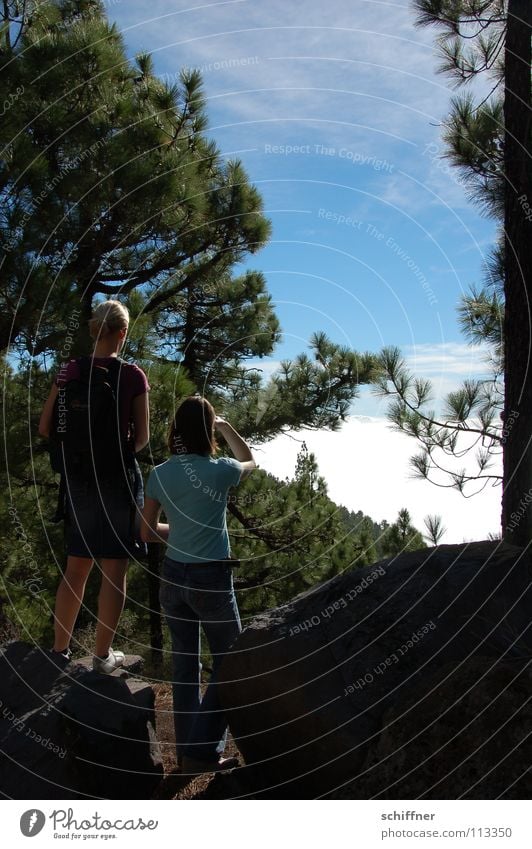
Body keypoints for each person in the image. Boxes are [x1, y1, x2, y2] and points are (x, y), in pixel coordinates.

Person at [141, 396, 255, 775]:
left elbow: (144, 530)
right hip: (211, 579)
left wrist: (182, 532)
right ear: (206, 431)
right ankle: (202, 752)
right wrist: (224, 426)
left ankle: (190, 751)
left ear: (175, 430)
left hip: (173, 577)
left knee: (184, 669)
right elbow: (252, 460)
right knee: (230, 663)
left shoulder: (160, 473)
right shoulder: (221, 469)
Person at [39, 300, 150, 673]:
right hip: (116, 482)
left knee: (76, 569)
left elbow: (45, 428)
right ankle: (102, 657)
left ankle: (59, 652)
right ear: (122, 332)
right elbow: (141, 439)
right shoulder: (132, 376)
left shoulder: (69, 371)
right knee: (113, 570)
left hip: (79, 482)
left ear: (93, 330)